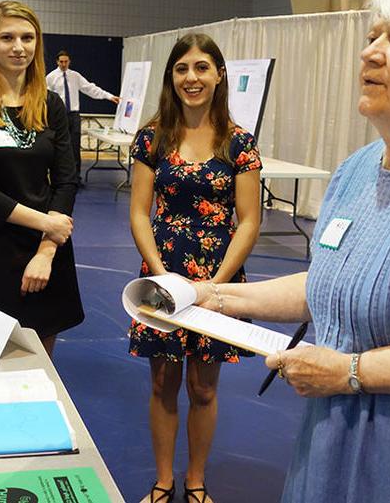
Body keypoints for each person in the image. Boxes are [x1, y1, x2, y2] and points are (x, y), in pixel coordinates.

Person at [193, 0, 390, 502]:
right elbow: (334, 279)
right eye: (373, 37)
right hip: (330, 450)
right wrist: (212, 297)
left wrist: (351, 372)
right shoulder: (358, 169)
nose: (371, 55)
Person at [129, 33, 262, 503]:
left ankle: (195, 480)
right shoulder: (152, 137)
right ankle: (164, 481)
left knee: (204, 387)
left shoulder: (239, 142)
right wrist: (162, 276)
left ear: (219, 74)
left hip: (217, 276)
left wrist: (215, 286)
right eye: (182, 68)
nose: (192, 77)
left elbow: (249, 221)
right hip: (162, 275)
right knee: (163, 382)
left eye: (202, 67)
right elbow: (140, 212)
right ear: (171, 76)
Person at [0, 1, 84, 357]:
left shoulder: (49, 103)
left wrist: (47, 248)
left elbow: (66, 179)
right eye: (7, 37)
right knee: (3, 356)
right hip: (0, 243)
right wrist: (46, 223)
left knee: (42, 359)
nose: (19, 47)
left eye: (27, 37)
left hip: (49, 244)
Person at [45, 50, 121, 183]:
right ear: (57, 62)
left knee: (75, 147)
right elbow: (44, 96)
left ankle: (76, 178)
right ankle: (58, 177)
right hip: (58, 116)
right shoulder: (51, 77)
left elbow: (90, 88)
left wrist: (109, 96)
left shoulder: (75, 76)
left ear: (69, 62)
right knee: (58, 146)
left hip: (74, 115)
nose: (64, 64)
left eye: (66, 61)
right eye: (61, 62)